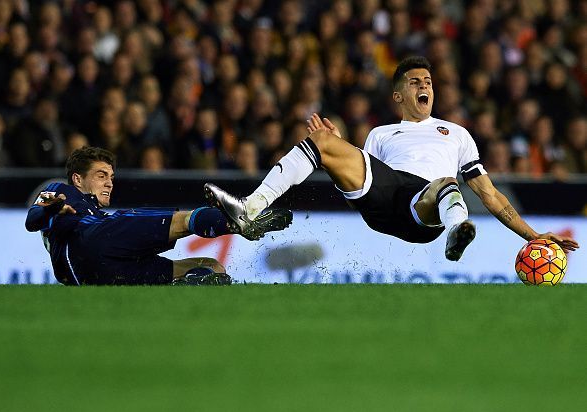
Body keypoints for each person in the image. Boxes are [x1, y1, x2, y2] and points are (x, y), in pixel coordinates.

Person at [205, 56, 579, 262]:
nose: (425, 87)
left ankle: (455, 234)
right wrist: (339, 150)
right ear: (398, 96)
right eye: (416, 82)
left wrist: (532, 235)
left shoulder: (457, 133)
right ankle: (250, 208)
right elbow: (365, 176)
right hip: (384, 195)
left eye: (429, 82)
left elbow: (491, 195)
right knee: (320, 139)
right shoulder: (381, 134)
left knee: (447, 185)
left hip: (426, 207)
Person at [26, 146, 292, 286]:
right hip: (94, 241)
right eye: (101, 175)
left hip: (98, 276)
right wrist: (51, 208)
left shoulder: (90, 210)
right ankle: (241, 220)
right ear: (77, 179)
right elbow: (32, 218)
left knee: (212, 267)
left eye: (111, 177)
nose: (109, 183)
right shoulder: (60, 191)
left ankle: (189, 285)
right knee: (181, 221)